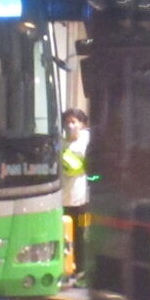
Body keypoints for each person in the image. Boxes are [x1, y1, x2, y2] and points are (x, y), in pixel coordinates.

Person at [59, 108, 91, 280]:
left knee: (82, 233)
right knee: (64, 234)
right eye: (68, 122)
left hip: (83, 201)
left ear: (81, 124)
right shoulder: (62, 143)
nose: (70, 125)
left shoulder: (87, 141)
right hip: (64, 200)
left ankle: (82, 269)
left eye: (74, 122)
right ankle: (65, 267)